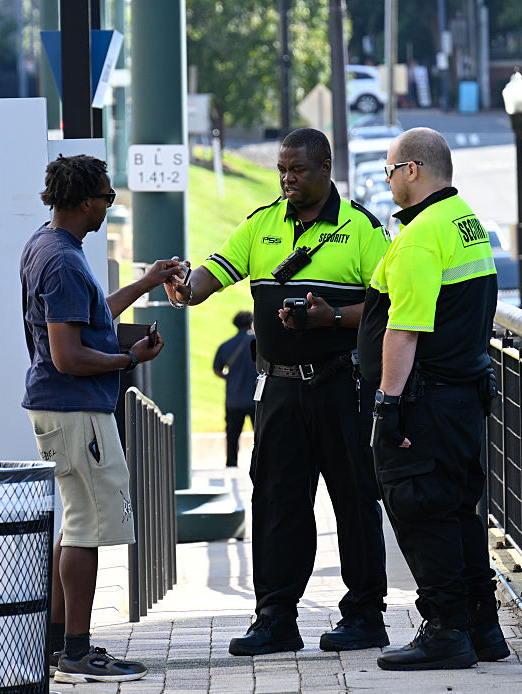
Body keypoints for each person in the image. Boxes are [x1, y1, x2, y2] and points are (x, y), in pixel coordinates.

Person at [164, 128, 391, 656]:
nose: (287, 179)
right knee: (276, 504)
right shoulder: (261, 224)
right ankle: (275, 619)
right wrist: (185, 290)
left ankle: (364, 616)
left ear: (326, 168)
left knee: (355, 501)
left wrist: (329, 316)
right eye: (282, 170)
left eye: (298, 170)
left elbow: (390, 308)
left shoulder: (362, 229)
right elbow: (213, 275)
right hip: (280, 393)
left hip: (343, 384)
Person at [21, 154, 184, 684]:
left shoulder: (46, 245)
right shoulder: (64, 261)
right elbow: (68, 355)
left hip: (58, 409)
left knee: (74, 524)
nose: (108, 208)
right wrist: (128, 360)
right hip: (75, 410)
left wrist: (146, 282)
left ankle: (55, 644)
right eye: (108, 199)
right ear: (88, 200)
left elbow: (90, 318)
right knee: (88, 525)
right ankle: (78, 652)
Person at [356, 127, 507, 671]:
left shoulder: (421, 235)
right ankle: (482, 628)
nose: (389, 178)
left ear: (413, 170)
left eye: (391, 169)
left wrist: (387, 403)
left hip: (423, 403)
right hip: (461, 397)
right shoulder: (466, 222)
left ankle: (445, 630)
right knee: (458, 512)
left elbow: (405, 327)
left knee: (420, 508)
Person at [213, 311, 257, 468]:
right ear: (251, 322)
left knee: (232, 434)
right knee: (260, 434)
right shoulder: (258, 343)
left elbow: (217, 370)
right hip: (255, 398)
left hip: (234, 399)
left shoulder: (225, 346)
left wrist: (230, 378)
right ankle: (260, 463)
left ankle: (231, 464)